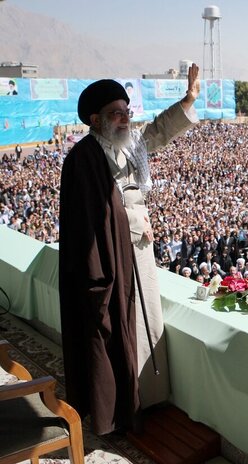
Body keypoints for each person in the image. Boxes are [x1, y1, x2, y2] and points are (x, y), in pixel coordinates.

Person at [58, 64, 200, 435]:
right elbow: (91, 219)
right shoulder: (84, 158)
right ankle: (121, 406)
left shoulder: (128, 144)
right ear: (96, 119)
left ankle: (147, 397)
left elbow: (156, 132)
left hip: (138, 250)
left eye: (126, 112)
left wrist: (188, 100)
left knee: (145, 321)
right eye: (116, 113)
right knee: (118, 330)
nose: (125, 119)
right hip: (110, 258)